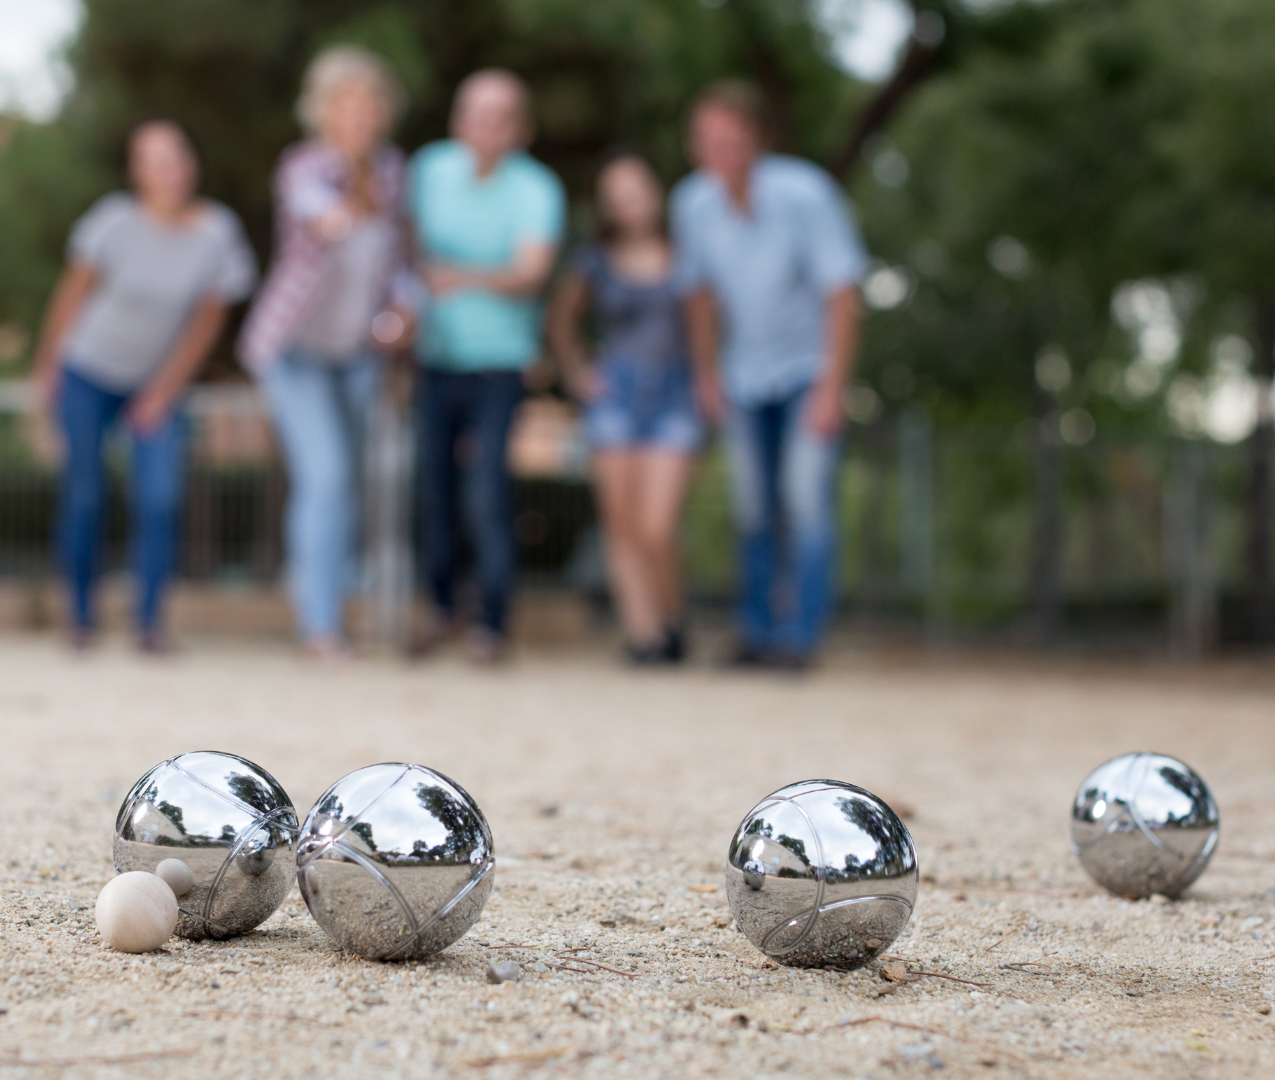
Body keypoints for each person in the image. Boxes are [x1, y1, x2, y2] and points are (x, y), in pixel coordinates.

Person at [31, 119, 257, 652]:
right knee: (84, 495)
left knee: (160, 499)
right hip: (87, 371)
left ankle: (149, 623)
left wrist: (162, 391)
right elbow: (71, 297)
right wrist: (47, 373)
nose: (170, 169)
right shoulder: (111, 223)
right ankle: (80, 618)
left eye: (178, 156)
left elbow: (208, 321)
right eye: (156, 160)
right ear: (137, 173)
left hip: (156, 383)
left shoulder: (217, 233)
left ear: (192, 164)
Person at [672, 81, 868, 669]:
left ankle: (799, 637)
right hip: (742, 374)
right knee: (753, 507)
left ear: (757, 140)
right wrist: (705, 375)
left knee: (806, 501)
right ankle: (756, 631)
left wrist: (833, 386)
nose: (722, 152)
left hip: (809, 369)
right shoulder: (692, 205)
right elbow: (700, 298)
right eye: (709, 141)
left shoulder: (806, 194)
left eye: (733, 140)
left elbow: (843, 294)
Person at [240, 46, 414, 662]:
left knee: (347, 487)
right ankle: (321, 625)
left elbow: (396, 265)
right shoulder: (305, 167)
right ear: (326, 112)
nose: (364, 116)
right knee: (327, 476)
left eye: (372, 104)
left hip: (357, 353)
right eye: (350, 104)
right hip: (294, 350)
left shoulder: (394, 173)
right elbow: (323, 220)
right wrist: (352, 191)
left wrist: (404, 312)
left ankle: (325, 604)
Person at [407, 69, 566, 664]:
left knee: (486, 491)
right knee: (433, 490)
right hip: (435, 356)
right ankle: (442, 607)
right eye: (474, 112)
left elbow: (531, 274)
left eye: (499, 115)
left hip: (500, 362)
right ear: (457, 119)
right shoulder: (429, 170)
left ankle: (492, 622)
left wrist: (456, 276)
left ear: (520, 129)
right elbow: (407, 252)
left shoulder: (537, 188)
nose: (484, 126)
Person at [548, 150, 700, 664]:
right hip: (615, 395)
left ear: (656, 196)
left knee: (657, 525)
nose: (627, 206)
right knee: (621, 523)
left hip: (675, 394)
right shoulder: (592, 261)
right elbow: (562, 320)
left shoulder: (687, 256)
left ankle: (672, 619)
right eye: (616, 198)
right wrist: (576, 372)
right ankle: (643, 635)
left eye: (635, 192)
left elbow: (706, 328)